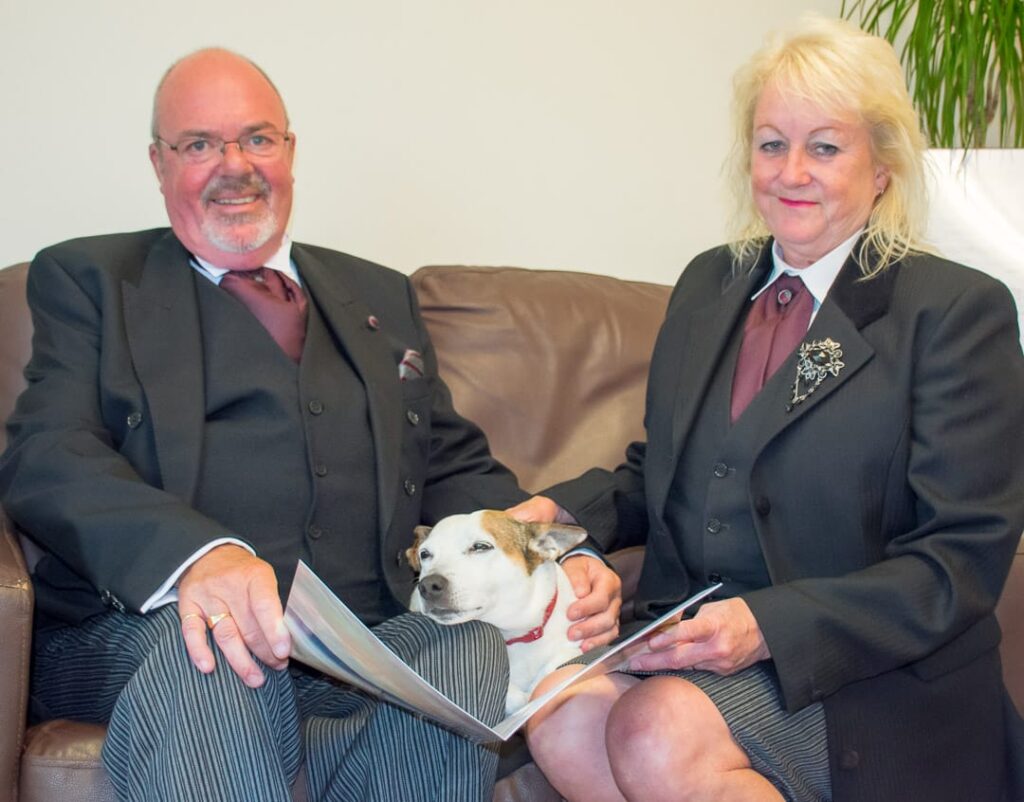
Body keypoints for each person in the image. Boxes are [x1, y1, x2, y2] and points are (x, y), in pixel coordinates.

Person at [0, 48, 621, 802]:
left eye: (257, 139)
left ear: (290, 151)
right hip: (147, 629)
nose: (235, 165)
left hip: (365, 640)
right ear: (160, 163)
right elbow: (48, 453)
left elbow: (451, 468)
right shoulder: (91, 280)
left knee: (467, 653)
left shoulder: (376, 294)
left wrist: (558, 558)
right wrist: (199, 559)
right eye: (200, 145)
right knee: (214, 647)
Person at [509, 15, 1024, 802]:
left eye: (826, 147)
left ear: (882, 167)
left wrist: (766, 627)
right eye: (772, 143)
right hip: (692, 646)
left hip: (869, 675)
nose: (792, 171)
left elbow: (960, 561)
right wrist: (560, 517)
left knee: (656, 728)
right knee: (559, 711)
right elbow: (667, 468)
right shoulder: (709, 285)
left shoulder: (952, 312)